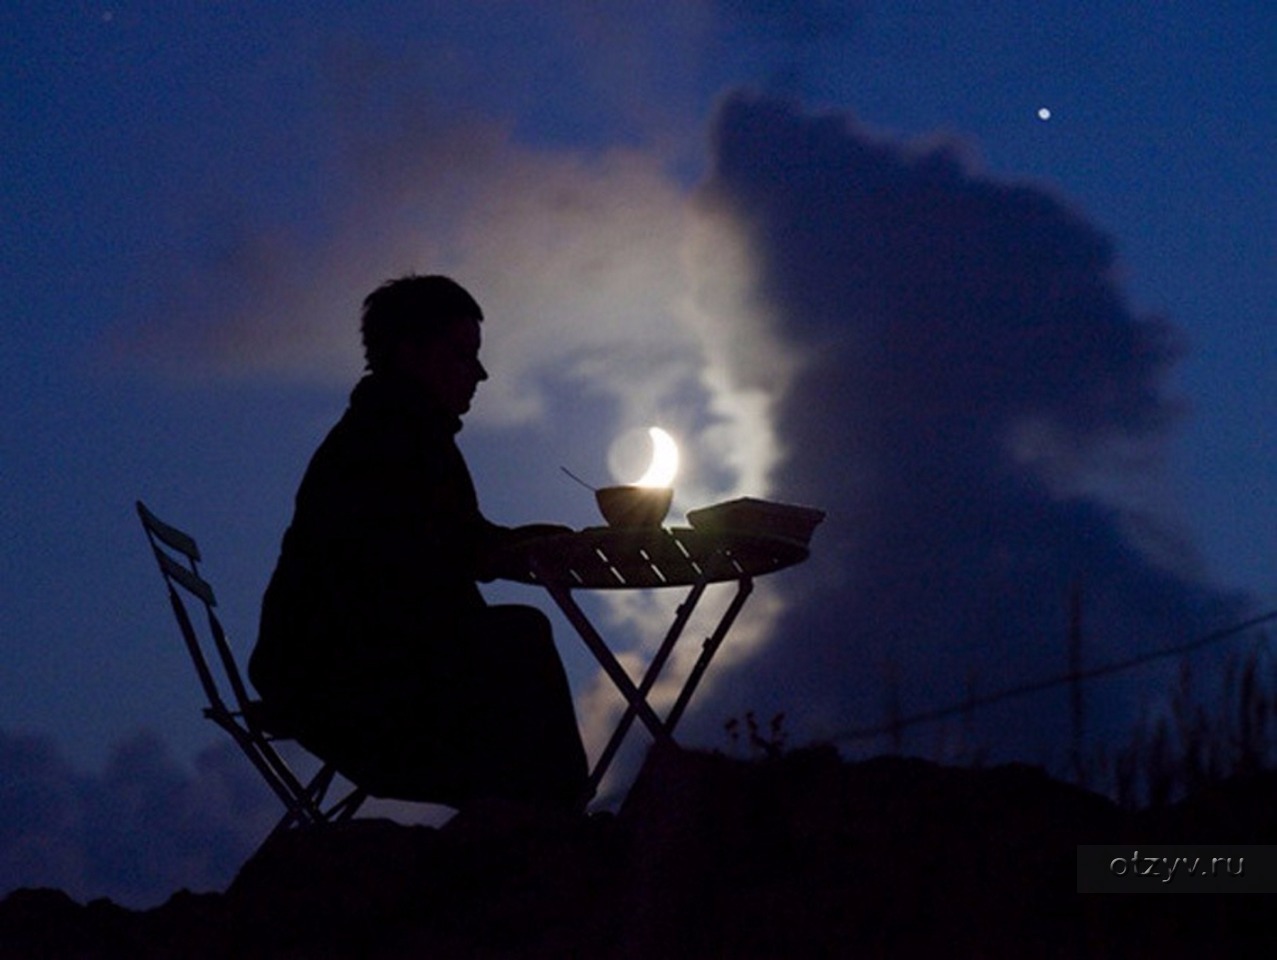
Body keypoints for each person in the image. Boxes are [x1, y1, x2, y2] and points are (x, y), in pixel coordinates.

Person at [248, 274, 589, 813]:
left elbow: (452, 541)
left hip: (343, 670)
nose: (479, 373)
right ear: (410, 354)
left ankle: (543, 821)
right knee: (522, 640)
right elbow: (436, 554)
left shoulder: (397, 432)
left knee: (516, 646)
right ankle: (559, 825)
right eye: (462, 355)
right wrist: (521, 550)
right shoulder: (389, 441)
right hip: (346, 685)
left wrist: (525, 544)